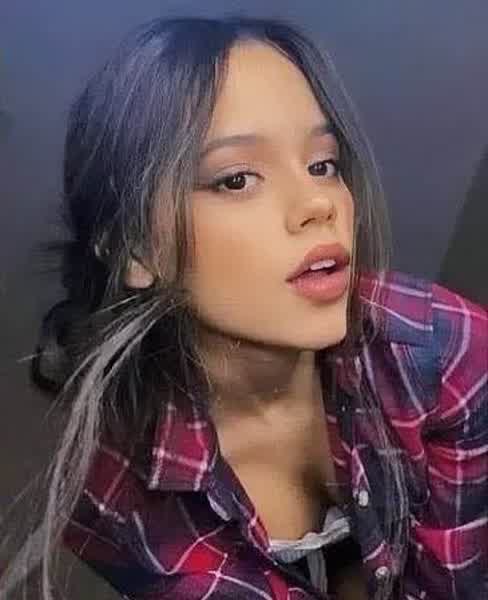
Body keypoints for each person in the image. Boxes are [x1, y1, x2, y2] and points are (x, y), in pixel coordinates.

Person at [1, 16, 487, 600]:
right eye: (236, 179)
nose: (318, 203)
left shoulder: (445, 349)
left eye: (323, 164)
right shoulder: (111, 491)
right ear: (135, 250)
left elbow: (453, 586)